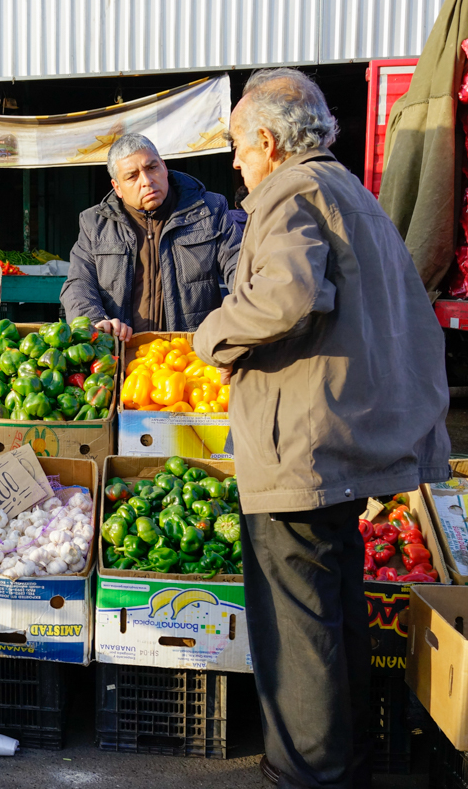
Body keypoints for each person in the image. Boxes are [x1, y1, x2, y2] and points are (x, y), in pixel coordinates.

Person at [193, 68, 450, 789]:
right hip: (343, 442)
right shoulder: (350, 191)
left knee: (297, 627)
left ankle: (305, 775)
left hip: (300, 448)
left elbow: (289, 294)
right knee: (335, 615)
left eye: (239, 148)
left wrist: (210, 336)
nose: (236, 164)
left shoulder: (286, 189)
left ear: (267, 142)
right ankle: (343, 766)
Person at [60, 133, 240, 340]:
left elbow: (240, 269)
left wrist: (235, 322)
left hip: (190, 353)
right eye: (132, 176)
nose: (146, 181)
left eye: (152, 168)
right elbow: (79, 283)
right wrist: (95, 320)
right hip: (122, 351)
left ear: (164, 167)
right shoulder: (95, 224)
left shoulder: (209, 210)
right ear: (117, 187)